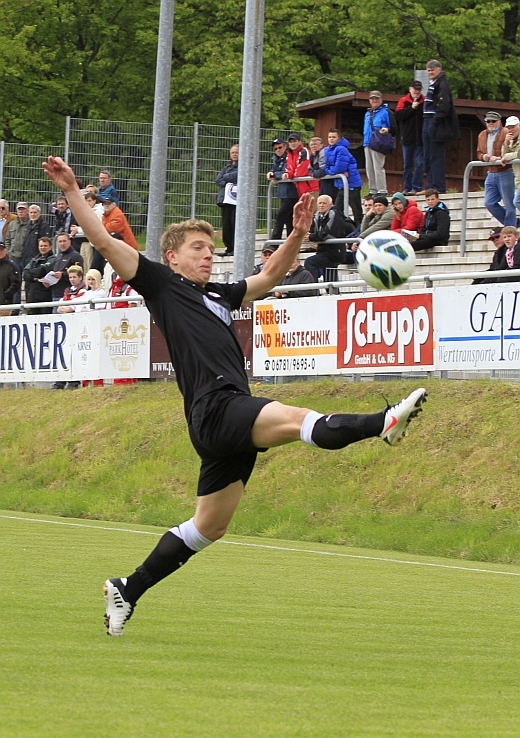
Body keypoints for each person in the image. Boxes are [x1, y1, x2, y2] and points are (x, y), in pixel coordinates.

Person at [43, 154, 428, 637]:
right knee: (298, 418)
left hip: (218, 421)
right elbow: (102, 239)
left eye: (211, 248)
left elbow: (268, 279)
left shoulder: (220, 295)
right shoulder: (161, 285)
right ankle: (382, 424)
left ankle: (128, 588)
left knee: (208, 528)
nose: (208, 255)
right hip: (217, 407)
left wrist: (297, 234)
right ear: (173, 256)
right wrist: (72, 190)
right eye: (198, 248)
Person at [422, 60, 459, 194]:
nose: (430, 72)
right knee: (428, 155)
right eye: (428, 70)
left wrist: (436, 121)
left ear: (439, 69)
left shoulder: (442, 84)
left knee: (436, 155)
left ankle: (438, 186)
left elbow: (444, 104)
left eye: (433, 70)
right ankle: (430, 185)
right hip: (427, 120)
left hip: (433, 121)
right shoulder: (433, 84)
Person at [313, 130, 363, 224]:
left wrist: (328, 171)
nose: (331, 139)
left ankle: (359, 229)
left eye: (334, 137)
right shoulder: (327, 149)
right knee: (337, 210)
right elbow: (326, 166)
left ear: (339, 138)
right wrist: (330, 171)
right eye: (329, 137)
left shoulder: (341, 149)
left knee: (356, 211)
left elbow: (339, 168)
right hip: (340, 185)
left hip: (351, 184)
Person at [477, 111, 515, 227]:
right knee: (489, 203)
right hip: (490, 172)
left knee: (509, 204)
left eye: (493, 121)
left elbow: (511, 149)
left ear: (499, 122)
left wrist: (500, 157)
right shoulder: (482, 135)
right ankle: (512, 225)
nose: (490, 123)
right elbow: (479, 153)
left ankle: (510, 228)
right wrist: (484, 156)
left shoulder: (506, 132)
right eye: (488, 121)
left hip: (505, 171)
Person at [304, 194, 355, 281]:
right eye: (320, 203)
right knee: (330, 281)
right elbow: (314, 231)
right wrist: (309, 235)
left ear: (331, 204)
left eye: (324, 203)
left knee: (310, 262)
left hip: (334, 252)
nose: (321, 205)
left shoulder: (334, 213)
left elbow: (327, 233)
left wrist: (312, 237)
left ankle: (313, 288)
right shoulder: (317, 216)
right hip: (324, 250)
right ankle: (332, 290)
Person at [363, 91, 396, 196]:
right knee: (369, 168)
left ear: (381, 100)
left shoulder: (386, 112)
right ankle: (372, 190)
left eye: (376, 98)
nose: (374, 100)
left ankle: (382, 190)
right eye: (372, 98)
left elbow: (394, 128)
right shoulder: (367, 113)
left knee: (378, 167)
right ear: (369, 100)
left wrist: (387, 130)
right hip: (367, 142)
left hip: (378, 142)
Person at [395, 81, 425, 195]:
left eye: (419, 89)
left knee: (419, 164)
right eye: (415, 89)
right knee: (407, 165)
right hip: (407, 138)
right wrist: (411, 108)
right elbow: (398, 116)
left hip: (421, 139)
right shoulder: (403, 101)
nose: (417, 91)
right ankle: (407, 187)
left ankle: (417, 187)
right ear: (410, 89)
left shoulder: (425, 101)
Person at [267, 138, 299, 240]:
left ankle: (274, 240)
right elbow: (276, 171)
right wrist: (272, 173)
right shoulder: (276, 158)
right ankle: (291, 241)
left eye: (280, 147)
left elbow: (287, 172)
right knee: (288, 218)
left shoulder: (290, 156)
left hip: (292, 192)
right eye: (275, 148)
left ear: (285, 146)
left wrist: (274, 175)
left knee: (280, 215)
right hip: (283, 192)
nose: (278, 150)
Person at [22, 236, 56, 314]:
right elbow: (25, 275)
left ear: (50, 247)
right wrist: (36, 278)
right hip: (33, 296)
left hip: (46, 297)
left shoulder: (53, 259)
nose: (43, 248)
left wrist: (31, 273)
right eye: (41, 246)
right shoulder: (34, 259)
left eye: (45, 246)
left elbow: (40, 271)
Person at [215, 144, 239, 256]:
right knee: (226, 224)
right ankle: (228, 248)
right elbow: (218, 180)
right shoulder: (227, 167)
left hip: (235, 200)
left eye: (237, 152)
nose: (234, 154)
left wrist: (226, 177)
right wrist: (229, 179)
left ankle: (235, 247)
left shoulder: (242, 166)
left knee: (235, 223)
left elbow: (237, 176)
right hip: (225, 200)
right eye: (232, 152)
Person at [283, 133, 319, 200]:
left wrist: (290, 175)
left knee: (312, 206)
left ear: (300, 142)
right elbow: (289, 168)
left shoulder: (304, 151)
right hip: (301, 189)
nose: (293, 143)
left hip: (311, 188)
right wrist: (287, 174)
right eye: (290, 142)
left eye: (294, 141)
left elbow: (302, 171)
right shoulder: (289, 154)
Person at [51, 232, 84, 305]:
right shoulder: (58, 256)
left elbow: (79, 274)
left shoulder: (75, 256)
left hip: (69, 294)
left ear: (70, 241)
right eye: (60, 241)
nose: (62, 243)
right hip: (56, 293)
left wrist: (63, 275)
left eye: (64, 241)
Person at [500, 115, 520, 215]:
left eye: (513, 127)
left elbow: (518, 155)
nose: (511, 130)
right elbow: (503, 156)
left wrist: (507, 156)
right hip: (518, 179)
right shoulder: (512, 141)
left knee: (517, 201)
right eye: (508, 128)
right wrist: (506, 143)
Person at [0, 242, 21, 315]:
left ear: (5, 251)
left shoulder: (11, 266)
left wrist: (5, 295)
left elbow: (16, 283)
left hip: (5, 305)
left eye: (1, 250)